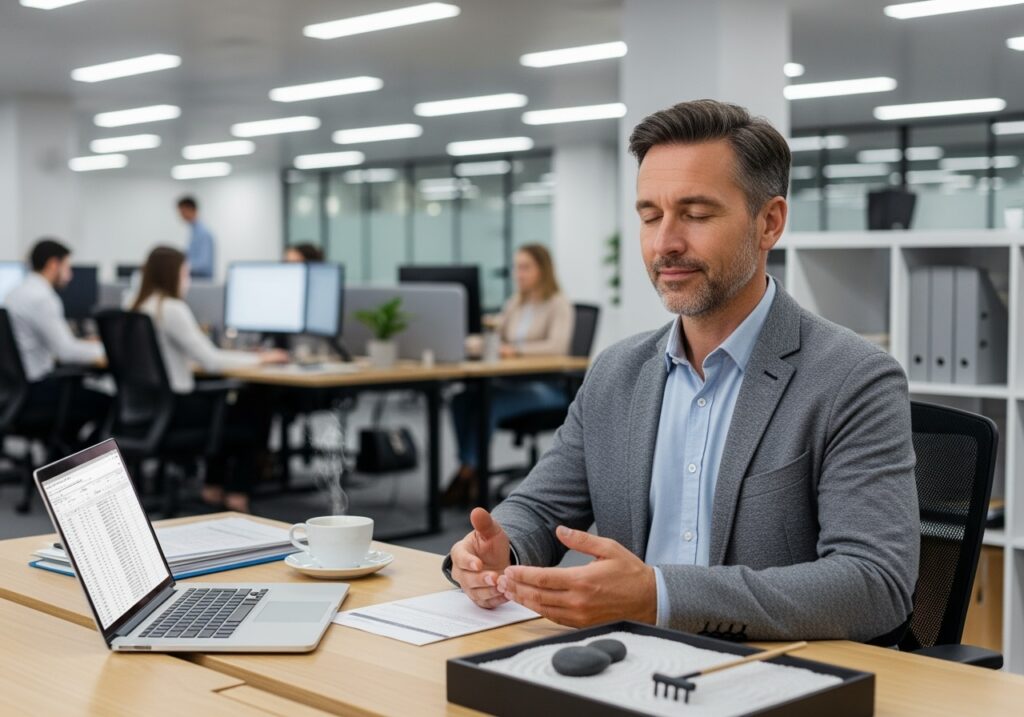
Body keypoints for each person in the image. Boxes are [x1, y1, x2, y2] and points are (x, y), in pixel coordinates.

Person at [444, 99, 920, 643]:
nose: (665, 243)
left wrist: (660, 596)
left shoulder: (853, 379)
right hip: (632, 666)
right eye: (650, 216)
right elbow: (541, 504)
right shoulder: (617, 373)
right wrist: (500, 546)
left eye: (695, 214)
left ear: (770, 223)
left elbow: (875, 582)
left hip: (771, 672)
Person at [131, 246, 288, 512]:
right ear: (173, 274)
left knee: (232, 409)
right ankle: (238, 492)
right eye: (185, 272)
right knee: (254, 408)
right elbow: (212, 360)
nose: (188, 280)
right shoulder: (171, 308)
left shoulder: (137, 306)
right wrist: (261, 358)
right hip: (178, 409)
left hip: (149, 408)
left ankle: (212, 486)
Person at [444, 244, 575, 506]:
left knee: (490, 402)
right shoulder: (516, 302)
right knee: (461, 400)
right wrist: (471, 343)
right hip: (514, 383)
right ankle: (470, 468)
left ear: (543, 269)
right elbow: (496, 337)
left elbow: (557, 347)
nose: (519, 273)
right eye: (517, 267)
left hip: (548, 388)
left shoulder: (558, 304)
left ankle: (468, 473)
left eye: (526, 267)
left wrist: (515, 351)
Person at [6, 239, 109, 442]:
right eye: (67, 266)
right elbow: (66, 351)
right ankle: (82, 465)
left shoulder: (15, 293)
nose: (70, 275)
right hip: (35, 391)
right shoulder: (43, 298)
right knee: (108, 403)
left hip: (13, 391)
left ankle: (63, 453)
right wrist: (107, 349)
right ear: (53, 264)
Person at [177, 196, 216, 279]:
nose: (180, 215)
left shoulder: (203, 233)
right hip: (194, 282)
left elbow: (204, 264)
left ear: (191, 209)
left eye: (182, 212)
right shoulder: (194, 232)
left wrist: (181, 267)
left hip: (202, 284)